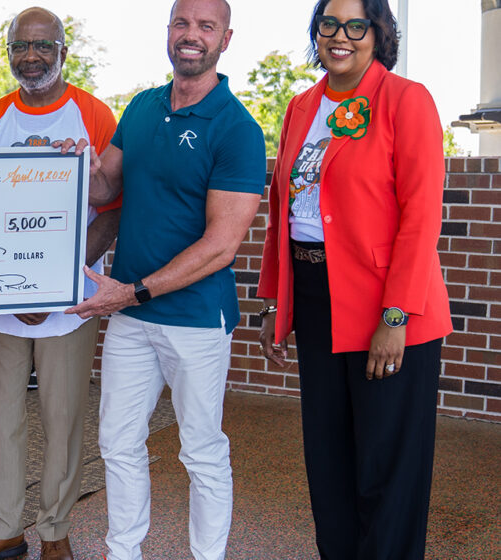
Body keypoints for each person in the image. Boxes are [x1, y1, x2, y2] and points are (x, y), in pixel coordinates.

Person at [64, 0, 265, 558]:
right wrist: (77, 167)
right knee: (118, 443)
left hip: (194, 319)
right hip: (130, 313)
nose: (191, 35)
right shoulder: (144, 107)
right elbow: (105, 191)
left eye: (206, 26)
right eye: (182, 23)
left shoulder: (237, 129)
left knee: (201, 450)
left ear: (226, 39)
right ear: (168, 32)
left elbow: (221, 246)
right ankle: (123, 551)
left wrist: (130, 292)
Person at [255, 0, 452, 557]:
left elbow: (420, 217)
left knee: (388, 469)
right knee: (329, 461)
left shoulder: (405, 101)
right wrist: (278, 302)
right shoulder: (302, 106)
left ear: (378, 33)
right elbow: (285, 210)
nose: (341, 37)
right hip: (318, 300)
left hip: (387, 309)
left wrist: (396, 317)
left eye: (356, 25)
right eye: (329, 24)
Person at [0, 7, 120, 560]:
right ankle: (2, 527)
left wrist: (56, 281)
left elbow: (113, 210)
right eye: (21, 46)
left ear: (63, 52)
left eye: (43, 46)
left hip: (68, 301)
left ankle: (56, 530)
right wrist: (9, 289)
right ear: (10, 52)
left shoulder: (94, 115)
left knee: (63, 417)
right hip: (4, 300)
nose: (32, 56)